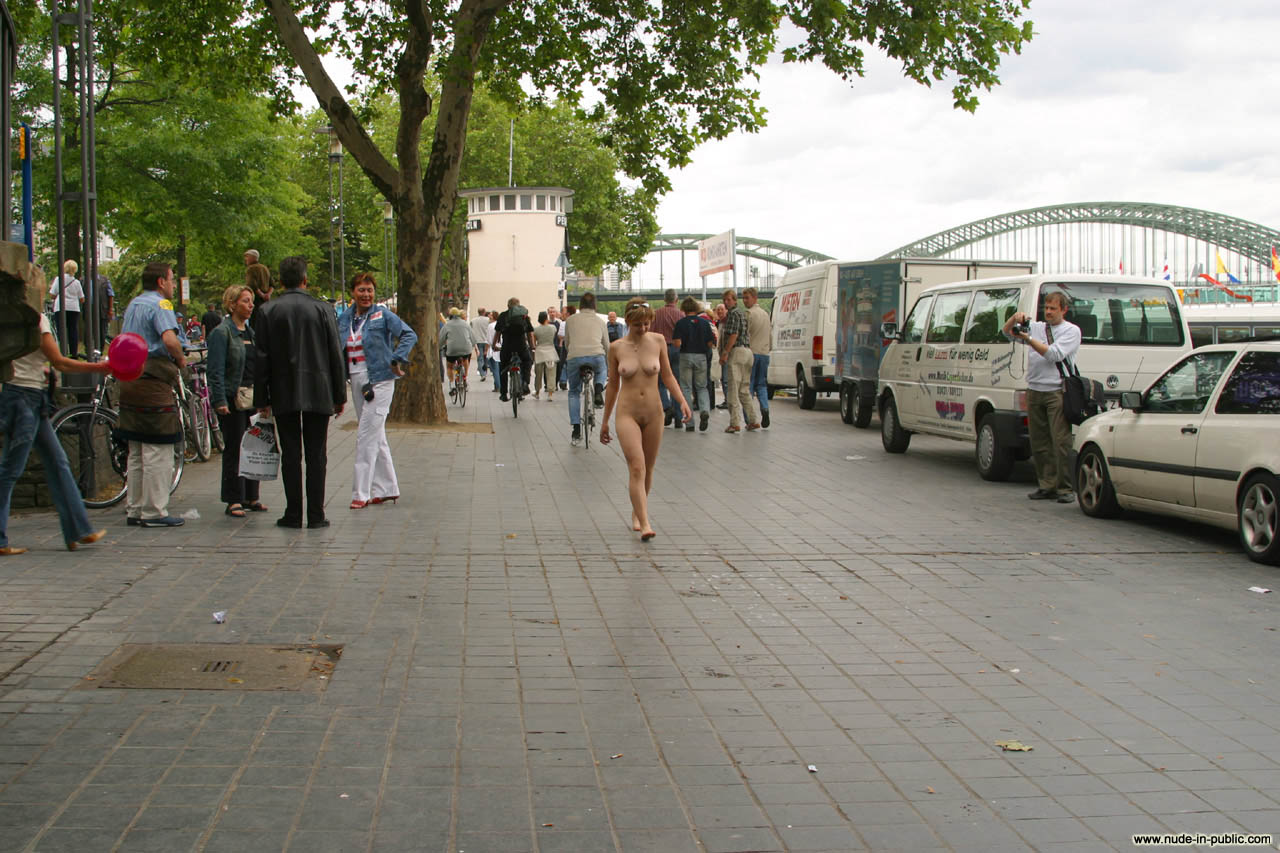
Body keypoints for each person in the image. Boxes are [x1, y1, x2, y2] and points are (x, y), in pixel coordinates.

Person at [0, 303, 111, 555]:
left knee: (58, 463)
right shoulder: (37, 320)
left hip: (24, 397)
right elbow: (60, 363)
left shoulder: (9, 316)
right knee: (10, 470)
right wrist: (99, 368)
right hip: (26, 398)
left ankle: (78, 530)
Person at [254, 256, 347, 528]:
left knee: (291, 454)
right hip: (319, 388)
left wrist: (261, 398)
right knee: (317, 454)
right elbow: (335, 353)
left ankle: (293, 513)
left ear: (281, 281)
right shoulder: (323, 309)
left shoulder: (268, 311)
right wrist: (339, 394)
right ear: (305, 280)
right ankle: (316, 514)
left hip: (283, 389)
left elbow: (261, 358)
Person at [600, 298, 690, 541]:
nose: (643, 328)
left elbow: (668, 376)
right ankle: (646, 522)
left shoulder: (658, 341)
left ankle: (637, 512)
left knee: (648, 468)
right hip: (627, 413)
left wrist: (682, 400)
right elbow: (613, 386)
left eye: (647, 324)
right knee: (637, 466)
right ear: (628, 322)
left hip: (654, 413)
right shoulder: (616, 347)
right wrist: (605, 420)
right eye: (638, 324)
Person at [337, 272, 417, 510]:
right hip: (356, 378)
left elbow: (409, 334)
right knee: (375, 434)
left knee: (365, 435)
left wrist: (396, 358)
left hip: (380, 379)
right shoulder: (344, 318)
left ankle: (360, 493)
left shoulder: (382, 315)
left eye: (370, 290)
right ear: (352, 292)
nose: (366, 295)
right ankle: (387, 488)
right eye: (361, 290)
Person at [117, 262, 188, 527]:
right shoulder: (162, 304)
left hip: (130, 379)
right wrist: (180, 359)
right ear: (161, 282)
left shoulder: (134, 304)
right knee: (158, 447)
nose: (173, 285)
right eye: (171, 279)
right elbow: (169, 339)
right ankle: (155, 511)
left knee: (136, 448)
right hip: (154, 381)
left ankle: (135, 508)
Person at [1003, 291, 1081, 503]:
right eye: (1046, 308)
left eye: (1053, 308)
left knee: (1060, 441)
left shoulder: (1071, 331)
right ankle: (1047, 485)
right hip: (1034, 389)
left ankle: (1065, 488)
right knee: (1039, 442)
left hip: (1057, 391)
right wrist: (1014, 318)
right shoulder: (1037, 327)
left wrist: (1028, 339)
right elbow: (1006, 333)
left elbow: (1054, 354)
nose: (1048, 312)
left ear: (1064, 310)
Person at [207, 284, 266, 519]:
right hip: (233, 398)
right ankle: (234, 498)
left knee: (255, 446)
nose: (251, 305)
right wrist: (220, 399)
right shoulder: (222, 333)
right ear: (232, 305)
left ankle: (251, 495)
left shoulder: (251, 333)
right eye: (245, 301)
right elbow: (216, 370)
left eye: (251, 301)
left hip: (252, 397)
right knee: (235, 448)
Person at [564, 291, 609, 445]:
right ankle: (598, 390)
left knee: (574, 392)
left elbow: (567, 343)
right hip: (596, 356)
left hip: (575, 357)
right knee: (602, 370)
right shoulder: (601, 321)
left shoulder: (570, 320)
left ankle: (576, 430)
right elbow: (607, 345)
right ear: (595, 305)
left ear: (580, 305)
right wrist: (610, 365)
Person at [671, 297, 716, 432]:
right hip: (701, 357)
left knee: (686, 388)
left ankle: (690, 422)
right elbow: (710, 343)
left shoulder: (680, 323)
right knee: (702, 387)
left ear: (683, 309)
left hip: (685, 356)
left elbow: (677, 343)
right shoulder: (705, 323)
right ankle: (704, 410)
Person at [719, 289, 761, 433]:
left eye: (729, 300)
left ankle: (735, 422)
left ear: (734, 300)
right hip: (748, 352)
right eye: (724, 300)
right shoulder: (742, 313)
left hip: (736, 352)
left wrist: (725, 352)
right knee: (744, 390)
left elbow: (733, 335)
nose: (726, 302)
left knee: (733, 389)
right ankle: (753, 420)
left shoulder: (732, 314)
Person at [650, 288, 684, 427]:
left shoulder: (656, 314)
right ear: (676, 300)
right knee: (676, 382)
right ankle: (678, 418)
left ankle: (667, 407)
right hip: (677, 349)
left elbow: (650, 333)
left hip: (660, 349)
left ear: (664, 299)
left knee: (660, 383)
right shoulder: (681, 314)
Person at [743, 287, 773, 429]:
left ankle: (750, 419)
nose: (744, 301)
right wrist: (768, 348)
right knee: (761, 385)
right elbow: (770, 335)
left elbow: (745, 334)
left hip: (751, 353)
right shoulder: (766, 314)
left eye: (747, 298)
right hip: (764, 353)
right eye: (743, 298)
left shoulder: (748, 314)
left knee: (747, 386)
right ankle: (765, 408)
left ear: (754, 298)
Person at [496, 297, 534, 402]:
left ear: (508, 306)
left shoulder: (503, 315)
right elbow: (529, 333)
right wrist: (531, 346)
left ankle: (503, 393)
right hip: (521, 346)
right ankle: (525, 383)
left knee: (503, 367)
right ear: (519, 305)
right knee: (527, 361)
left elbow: (497, 332)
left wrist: (494, 345)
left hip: (507, 346)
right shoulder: (524, 316)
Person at [49, 259, 85, 357]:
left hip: (60, 308)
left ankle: (63, 352)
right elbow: (82, 298)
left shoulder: (59, 279)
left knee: (61, 330)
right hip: (73, 308)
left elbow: (52, 295)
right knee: (73, 330)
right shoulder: (76, 282)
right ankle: (73, 353)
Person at [440, 306, 476, 391]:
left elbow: (441, 339)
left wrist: (440, 347)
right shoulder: (465, 324)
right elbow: (473, 338)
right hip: (465, 348)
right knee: (465, 359)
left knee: (450, 366)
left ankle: (452, 384)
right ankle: (464, 377)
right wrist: (473, 344)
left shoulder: (447, 324)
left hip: (452, 349)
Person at [532, 311, 558, 400]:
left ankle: (537, 392)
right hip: (550, 352)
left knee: (538, 374)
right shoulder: (553, 328)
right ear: (546, 318)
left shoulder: (536, 329)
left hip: (539, 353)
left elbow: (534, 343)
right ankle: (550, 394)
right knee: (551, 373)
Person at [469, 308, 491, 380]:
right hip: (486, 341)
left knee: (480, 358)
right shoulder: (488, 320)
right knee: (486, 356)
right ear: (484, 312)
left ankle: (483, 374)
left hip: (478, 341)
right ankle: (485, 369)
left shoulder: (473, 320)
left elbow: (470, 331)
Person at [485, 310, 501, 391]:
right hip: (501, 349)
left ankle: (498, 386)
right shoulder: (501, 325)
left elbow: (488, 340)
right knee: (500, 369)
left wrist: (485, 350)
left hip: (493, 349)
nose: (489, 316)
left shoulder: (490, 326)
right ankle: (498, 385)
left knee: (495, 369)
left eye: (490, 315)